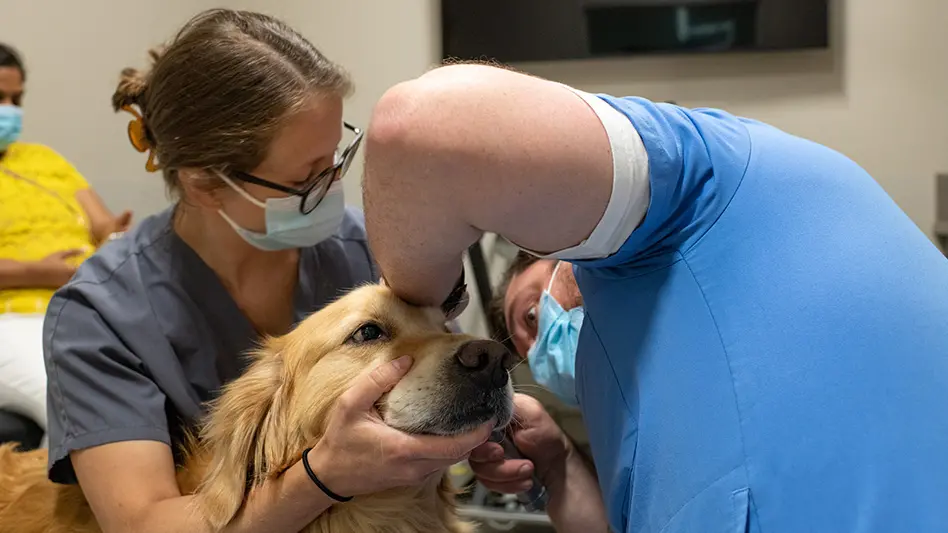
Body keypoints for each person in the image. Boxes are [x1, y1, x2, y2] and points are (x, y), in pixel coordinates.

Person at [361, 62, 948, 532]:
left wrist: (424, 317)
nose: (545, 341)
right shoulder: (639, 397)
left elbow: (417, 128)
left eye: (533, 310)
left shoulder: (699, 183)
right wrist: (561, 465)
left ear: (563, 244)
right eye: (528, 343)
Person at [42, 10, 491, 533]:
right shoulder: (99, 316)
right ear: (204, 183)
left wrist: (483, 431)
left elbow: (438, 375)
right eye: (306, 179)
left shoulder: (370, 250)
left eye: (337, 159)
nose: (333, 189)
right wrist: (322, 477)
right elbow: (145, 522)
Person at [0, 42, 132, 446]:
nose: (10, 108)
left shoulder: (45, 160)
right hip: (13, 320)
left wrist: (115, 237)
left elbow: (102, 224)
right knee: (74, 401)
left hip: (81, 309)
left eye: (16, 97)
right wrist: (41, 272)